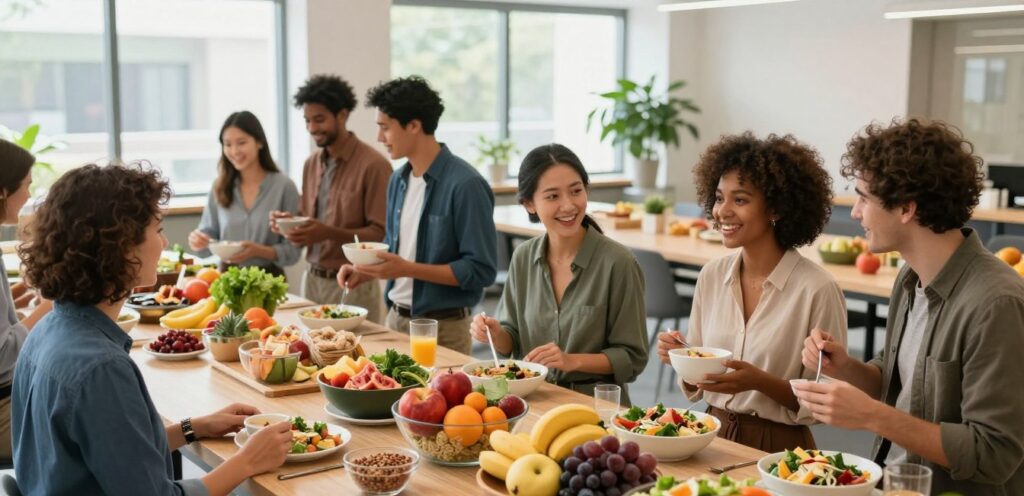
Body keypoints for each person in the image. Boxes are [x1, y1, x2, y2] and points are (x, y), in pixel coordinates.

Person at [12, 163, 339, 496]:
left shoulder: (50, 333)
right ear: (120, 248)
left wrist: (191, 428)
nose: (165, 241)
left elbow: (103, 453)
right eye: (157, 229)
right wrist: (245, 462)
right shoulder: (100, 369)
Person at [793, 119, 1024, 496]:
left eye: (863, 198)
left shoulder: (996, 303)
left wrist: (870, 416)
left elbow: (993, 453)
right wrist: (845, 368)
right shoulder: (911, 277)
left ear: (906, 207)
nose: (857, 211)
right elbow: (898, 383)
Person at [656, 133, 847, 452]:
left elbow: (825, 399)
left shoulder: (817, 289)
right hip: (709, 434)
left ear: (775, 208)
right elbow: (697, 381)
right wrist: (681, 360)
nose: (722, 212)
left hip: (779, 447)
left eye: (740, 200)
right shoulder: (712, 276)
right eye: (719, 198)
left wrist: (759, 382)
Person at [470, 144, 648, 398]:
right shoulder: (523, 257)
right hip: (532, 399)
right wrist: (496, 333)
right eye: (553, 196)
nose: (568, 205)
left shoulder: (618, 263)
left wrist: (571, 360)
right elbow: (513, 342)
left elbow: (633, 358)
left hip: (596, 405)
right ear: (529, 204)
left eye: (576, 191)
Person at [339, 76, 497, 354]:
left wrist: (406, 268)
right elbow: (397, 252)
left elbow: (480, 271)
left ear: (414, 125)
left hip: (444, 329)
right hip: (395, 320)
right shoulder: (397, 180)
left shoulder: (466, 184)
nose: (379, 138)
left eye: (384, 128)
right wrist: (364, 271)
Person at [271, 74, 391, 323]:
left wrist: (325, 232)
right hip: (312, 279)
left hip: (352, 282)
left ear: (342, 115)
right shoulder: (311, 164)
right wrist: (289, 225)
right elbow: (310, 221)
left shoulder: (375, 165)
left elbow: (381, 235)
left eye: (319, 119)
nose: (312, 128)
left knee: (355, 358)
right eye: (307, 120)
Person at [189, 111, 300, 278]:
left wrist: (258, 251)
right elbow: (207, 242)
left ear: (259, 142)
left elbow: (292, 252)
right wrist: (198, 241)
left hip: (270, 280)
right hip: (227, 278)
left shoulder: (284, 186)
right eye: (227, 144)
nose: (234, 151)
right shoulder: (219, 187)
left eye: (241, 143)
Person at [0, 139, 53, 461]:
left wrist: (21, 292)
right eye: (26, 186)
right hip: (4, 411)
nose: (29, 195)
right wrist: (51, 306)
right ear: (3, 191)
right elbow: (4, 353)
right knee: (103, 424)